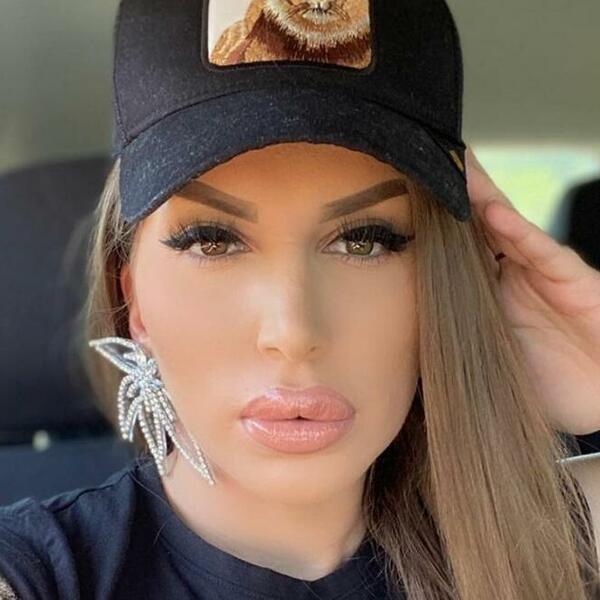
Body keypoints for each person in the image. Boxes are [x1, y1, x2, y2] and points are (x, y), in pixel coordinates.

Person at [2, 1, 600, 598]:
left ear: (439, 291)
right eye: (212, 241)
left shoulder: (535, 546)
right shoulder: (38, 574)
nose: (292, 332)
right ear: (134, 301)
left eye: (364, 241)